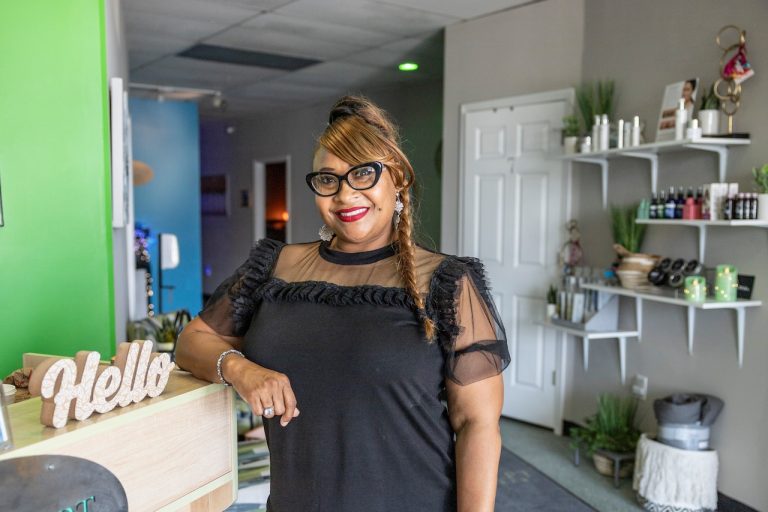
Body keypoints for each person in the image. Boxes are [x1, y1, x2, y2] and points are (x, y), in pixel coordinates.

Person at [175, 95, 511, 512]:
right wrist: (240, 369)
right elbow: (191, 342)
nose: (345, 194)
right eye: (328, 179)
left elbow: (477, 424)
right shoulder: (274, 267)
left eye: (363, 173)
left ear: (398, 179)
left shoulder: (448, 282)